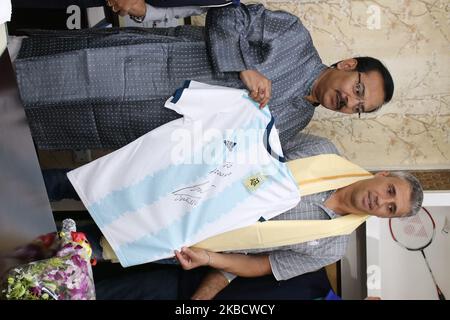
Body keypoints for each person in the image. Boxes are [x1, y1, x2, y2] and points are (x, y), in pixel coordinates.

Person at [42, 132, 423, 299]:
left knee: (81, 249)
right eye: (390, 192)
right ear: (384, 175)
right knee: (81, 189)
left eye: (391, 210)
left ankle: (21, 260)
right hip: (179, 189)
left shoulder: (333, 245)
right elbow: (251, 142)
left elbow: (262, 265)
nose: (381, 202)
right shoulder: (322, 151)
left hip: (185, 239)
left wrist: (208, 259)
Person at [14, 3, 393, 151]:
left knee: (30, 125)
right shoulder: (293, 37)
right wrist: (244, 66)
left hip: (143, 128)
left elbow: (234, 152)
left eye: (360, 107)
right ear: (347, 64)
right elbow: (228, 11)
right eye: (358, 89)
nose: (350, 102)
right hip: (140, 67)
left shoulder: (296, 122)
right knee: (31, 73)